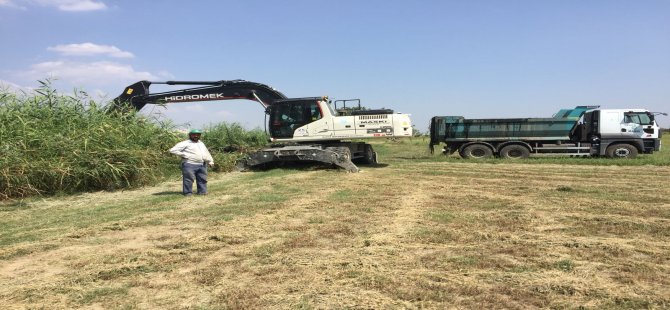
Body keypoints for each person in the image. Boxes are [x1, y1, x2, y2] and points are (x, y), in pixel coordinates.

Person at [169, 129, 214, 196]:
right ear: (190, 135)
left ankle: (202, 192)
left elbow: (206, 152)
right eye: (194, 134)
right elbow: (172, 150)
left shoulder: (201, 143)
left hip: (202, 164)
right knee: (188, 180)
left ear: (200, 136)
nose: (196, 136)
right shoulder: (185, 143)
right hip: (189, 164)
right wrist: (184, 155)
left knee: (202, 179)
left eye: (198, 135)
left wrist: (210, 161)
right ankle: (188, 193)